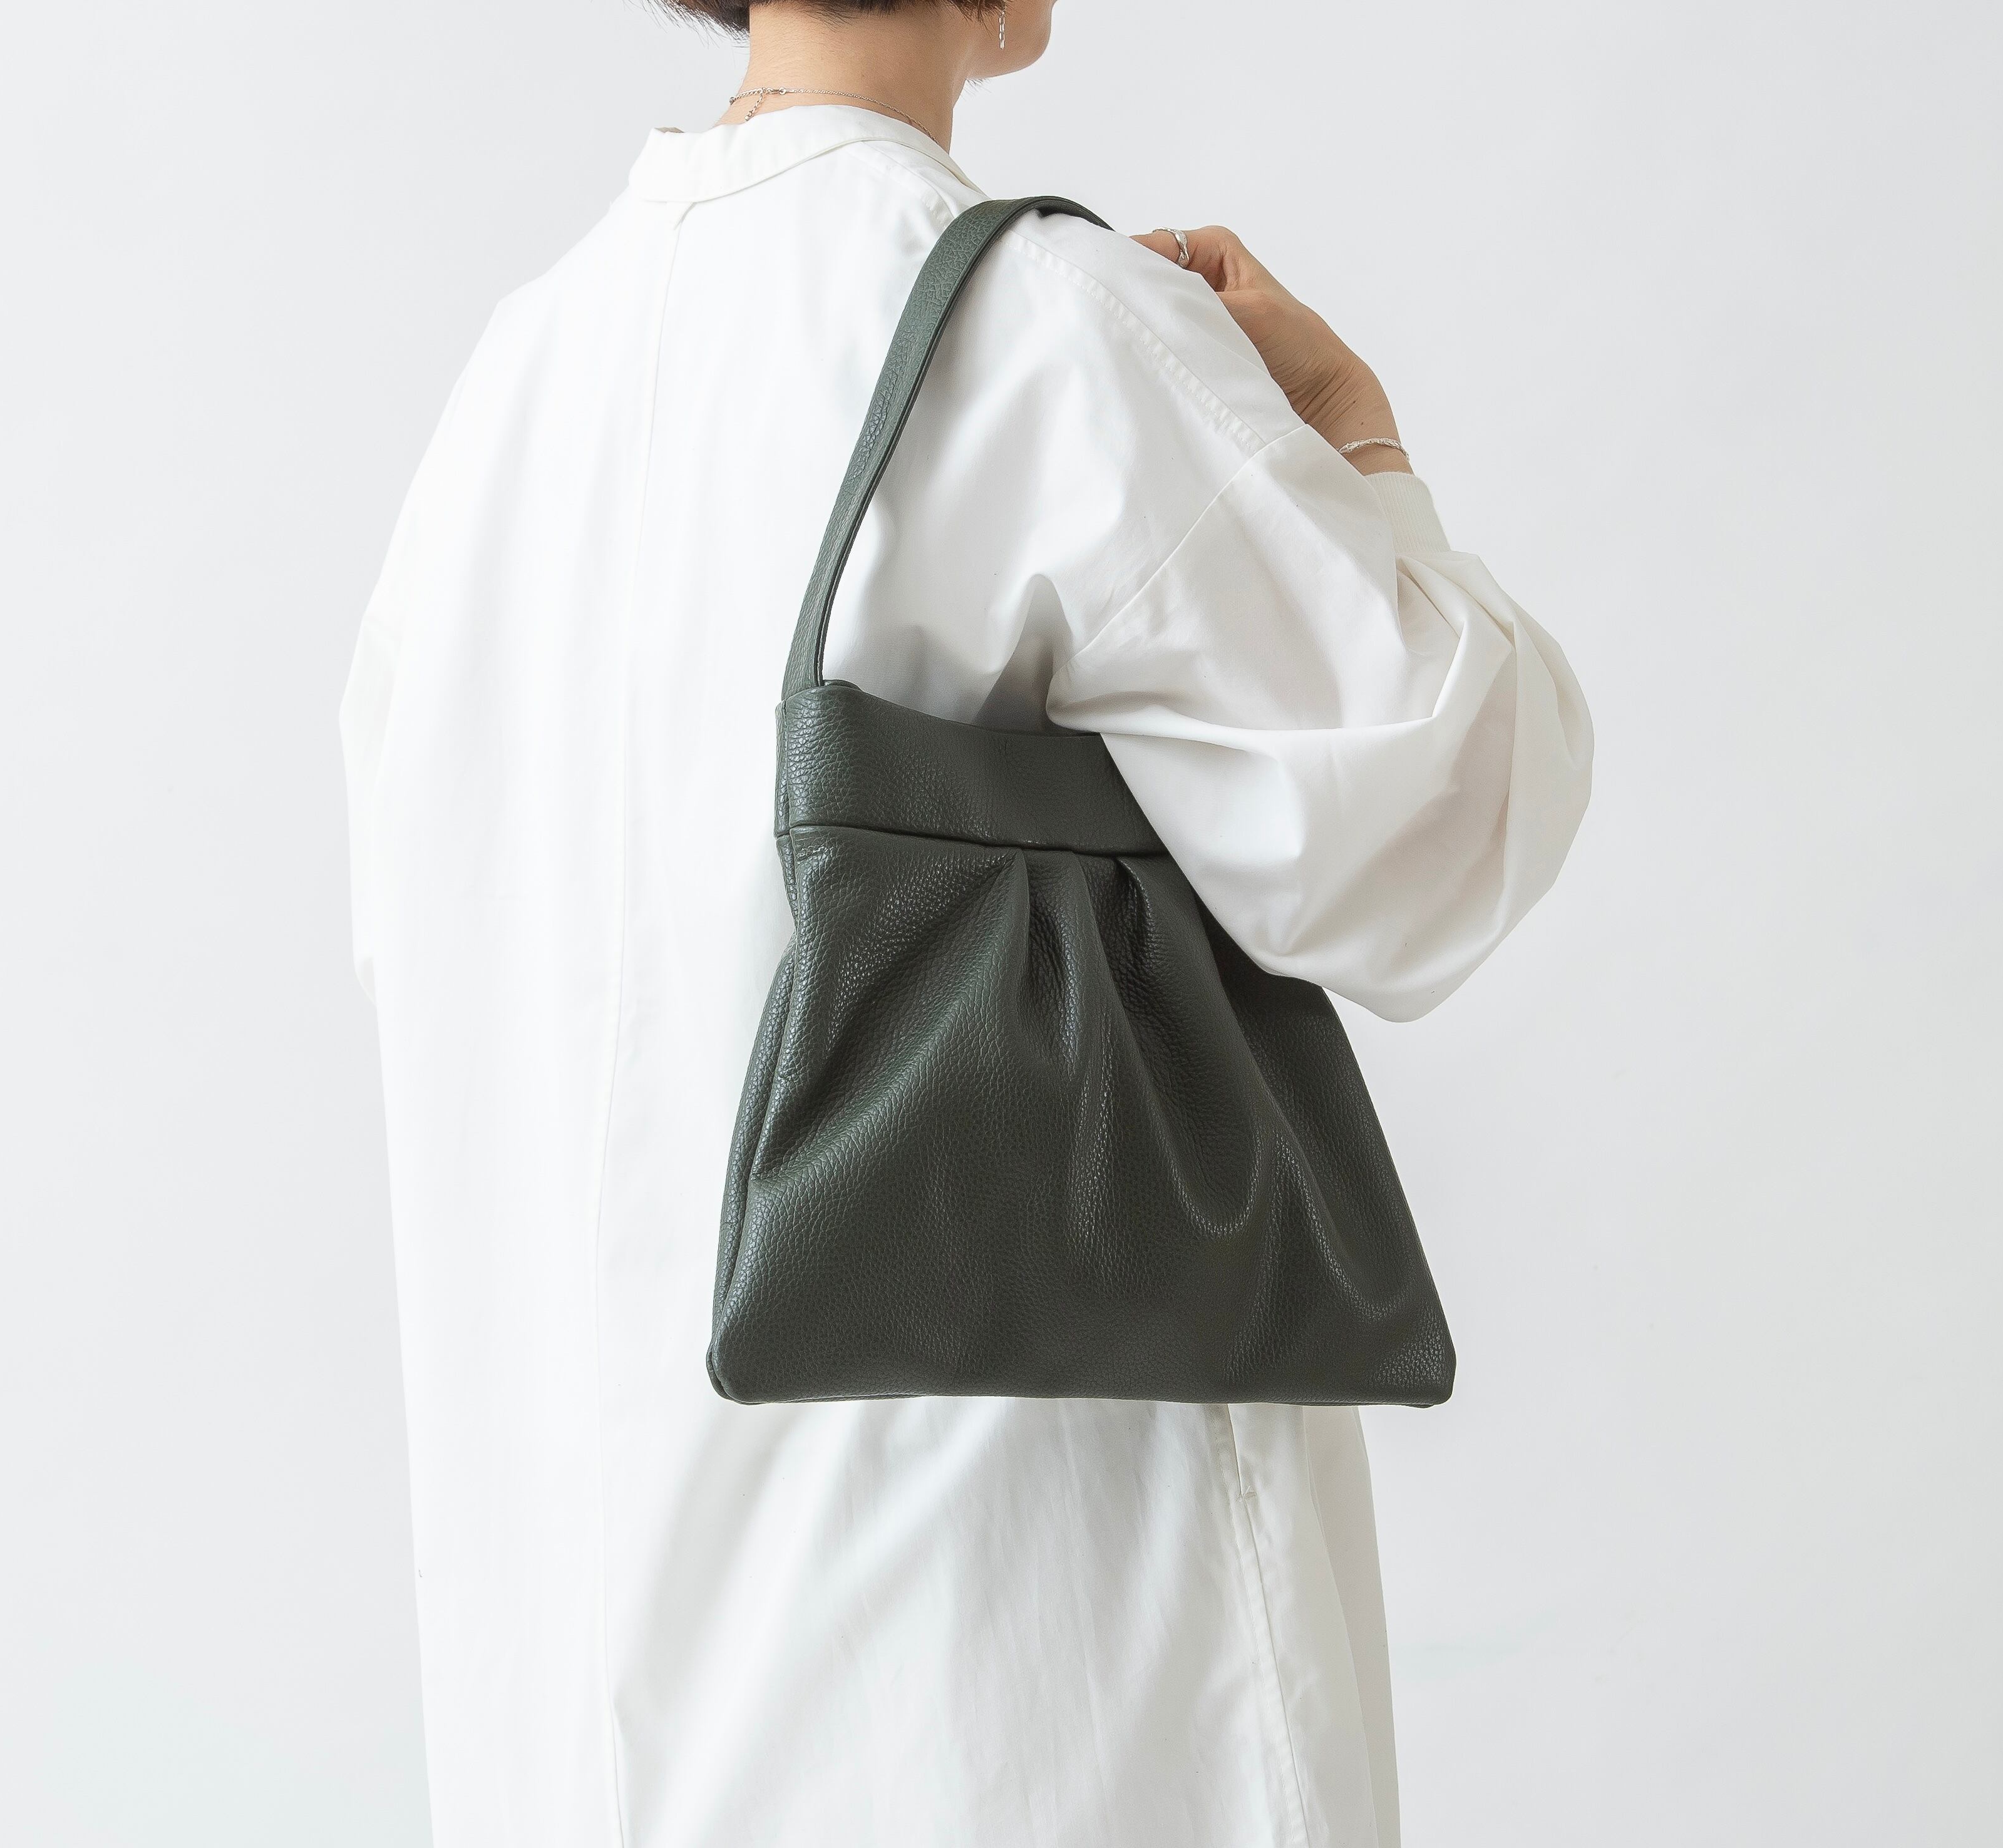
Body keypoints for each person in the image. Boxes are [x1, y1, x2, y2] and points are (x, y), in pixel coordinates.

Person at [340, 2, 1593, 1842]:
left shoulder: (509, 389)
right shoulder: (1043, 327)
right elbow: (1441, 822)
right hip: (1021, 1696)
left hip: (588, 1742)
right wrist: (1357, 442)